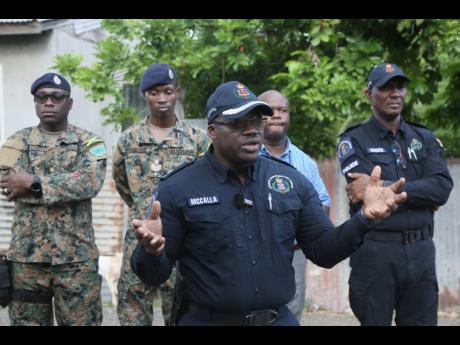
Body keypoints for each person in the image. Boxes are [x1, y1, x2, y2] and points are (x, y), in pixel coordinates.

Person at [129, 80, 407, 326]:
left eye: (256, 121)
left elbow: (323, 250)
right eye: (238, 123)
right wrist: (150, 252)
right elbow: (153, 275)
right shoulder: (179, 187)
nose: (251, 130)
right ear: (212, 130)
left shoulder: (291, 181)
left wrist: (363, 220)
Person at [338, 63, 454, 326]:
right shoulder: (353, 140)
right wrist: (420, 192)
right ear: (369, 93)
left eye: (399, 86)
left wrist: (394, 190)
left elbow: (442, 187)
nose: (395, 93)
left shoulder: (423, 137)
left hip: (421, 252)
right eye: (386, 87)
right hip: (375, 252)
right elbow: (364, 192)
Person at [0, 73, 107, 325]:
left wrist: (33, 183)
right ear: (35, 103)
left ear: (68, 103)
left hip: (76, 261)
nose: (49, 102)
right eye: (42, 98)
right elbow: (8, 184)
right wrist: (61, 189)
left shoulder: (88, 142)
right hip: (28, 261)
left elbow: (90, 183)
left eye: (56, 98)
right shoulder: (17, 141)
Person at [113, 63, 209, 326]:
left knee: (180, 312)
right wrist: (142, 206)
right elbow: (122, 183)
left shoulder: (197, 140)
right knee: (133, 312)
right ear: (145, 95)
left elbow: (207, 183)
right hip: (138, 239)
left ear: (177, 92)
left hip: (183, 243)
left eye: (168, 91)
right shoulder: (128, 139)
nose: (162, 98)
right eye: (154, 92)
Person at [258, 90, 331, 322]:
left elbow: (323, 204)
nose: (277, 116)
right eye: (270, 111)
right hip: (252, 251)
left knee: (291, 311)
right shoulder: (245, 156)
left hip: (294, 253)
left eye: (283, 110)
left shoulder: (305, 163)